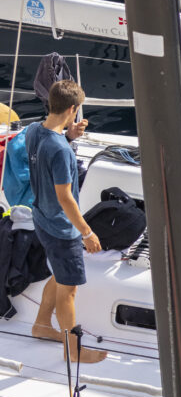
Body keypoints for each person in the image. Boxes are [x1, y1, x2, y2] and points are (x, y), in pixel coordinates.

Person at [28, 80, 106, 364]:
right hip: (62, 228)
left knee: (60, 276)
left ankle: (41, 325)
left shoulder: (34, 132)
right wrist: (86, 232)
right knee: (69, 289)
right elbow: (65, 197)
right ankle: (73, 350)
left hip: (42, 218)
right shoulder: (60, 150)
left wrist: (68, 135)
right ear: (72, 109)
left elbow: (48, 152)